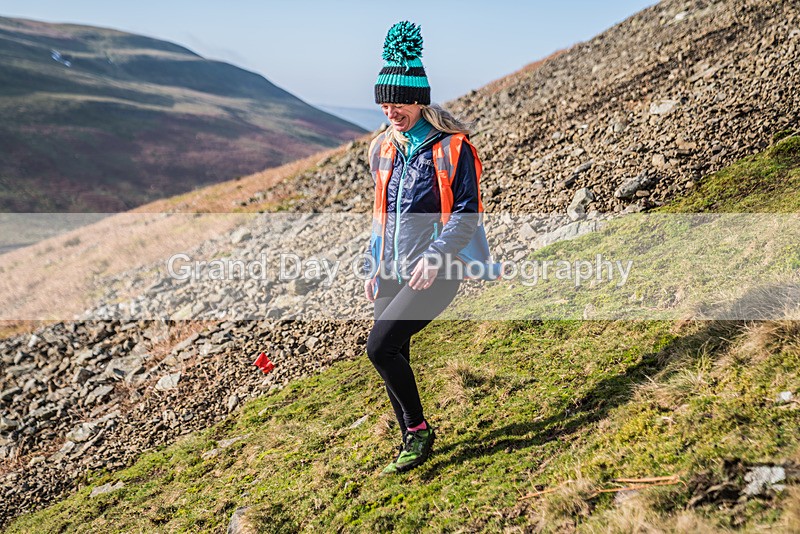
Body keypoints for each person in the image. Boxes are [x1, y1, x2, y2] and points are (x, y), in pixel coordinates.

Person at [363, 21, 495, 475]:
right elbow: (381, 213)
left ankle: (417, 432)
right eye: (383, 100)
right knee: (394, 351)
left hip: (439, 271)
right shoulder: (383, 148)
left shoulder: (453, 149)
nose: (390, 109)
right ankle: (409, 437)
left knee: (379, 348)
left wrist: (437, 257)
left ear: (420, 99)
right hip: (393, 270)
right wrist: (373, 265)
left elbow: (467, 213)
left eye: (398, 100)